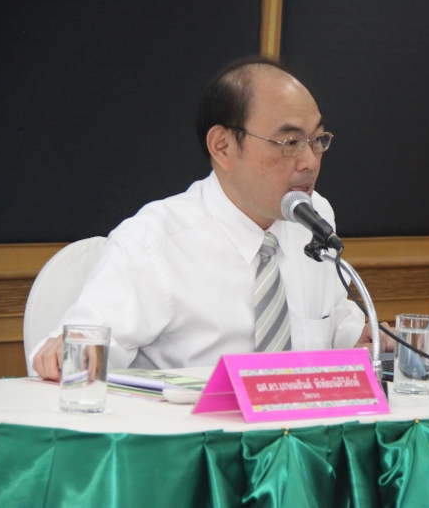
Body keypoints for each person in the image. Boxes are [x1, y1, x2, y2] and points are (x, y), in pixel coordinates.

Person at [31, 56, 393, 381]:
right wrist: (70, 353)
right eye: (290, 143)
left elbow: (330, 317)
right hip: (190, 432)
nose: (309, 161)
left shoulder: (314, 219)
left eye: (317, 140)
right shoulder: (153, 242)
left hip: (302, 429)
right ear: (222, 146)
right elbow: (73, 354)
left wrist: (355, 339)